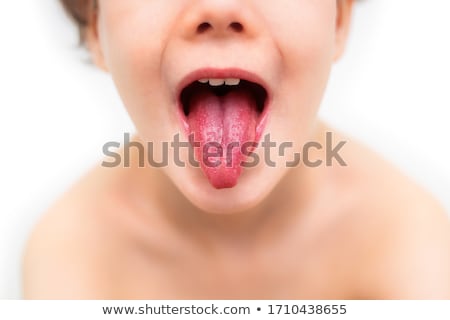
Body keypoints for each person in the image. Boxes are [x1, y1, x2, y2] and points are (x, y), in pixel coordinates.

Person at [23, 0, 450, 299]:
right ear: (97, 30)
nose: (221, 9)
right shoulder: (73, 257)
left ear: (338, 20)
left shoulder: (410, 250)